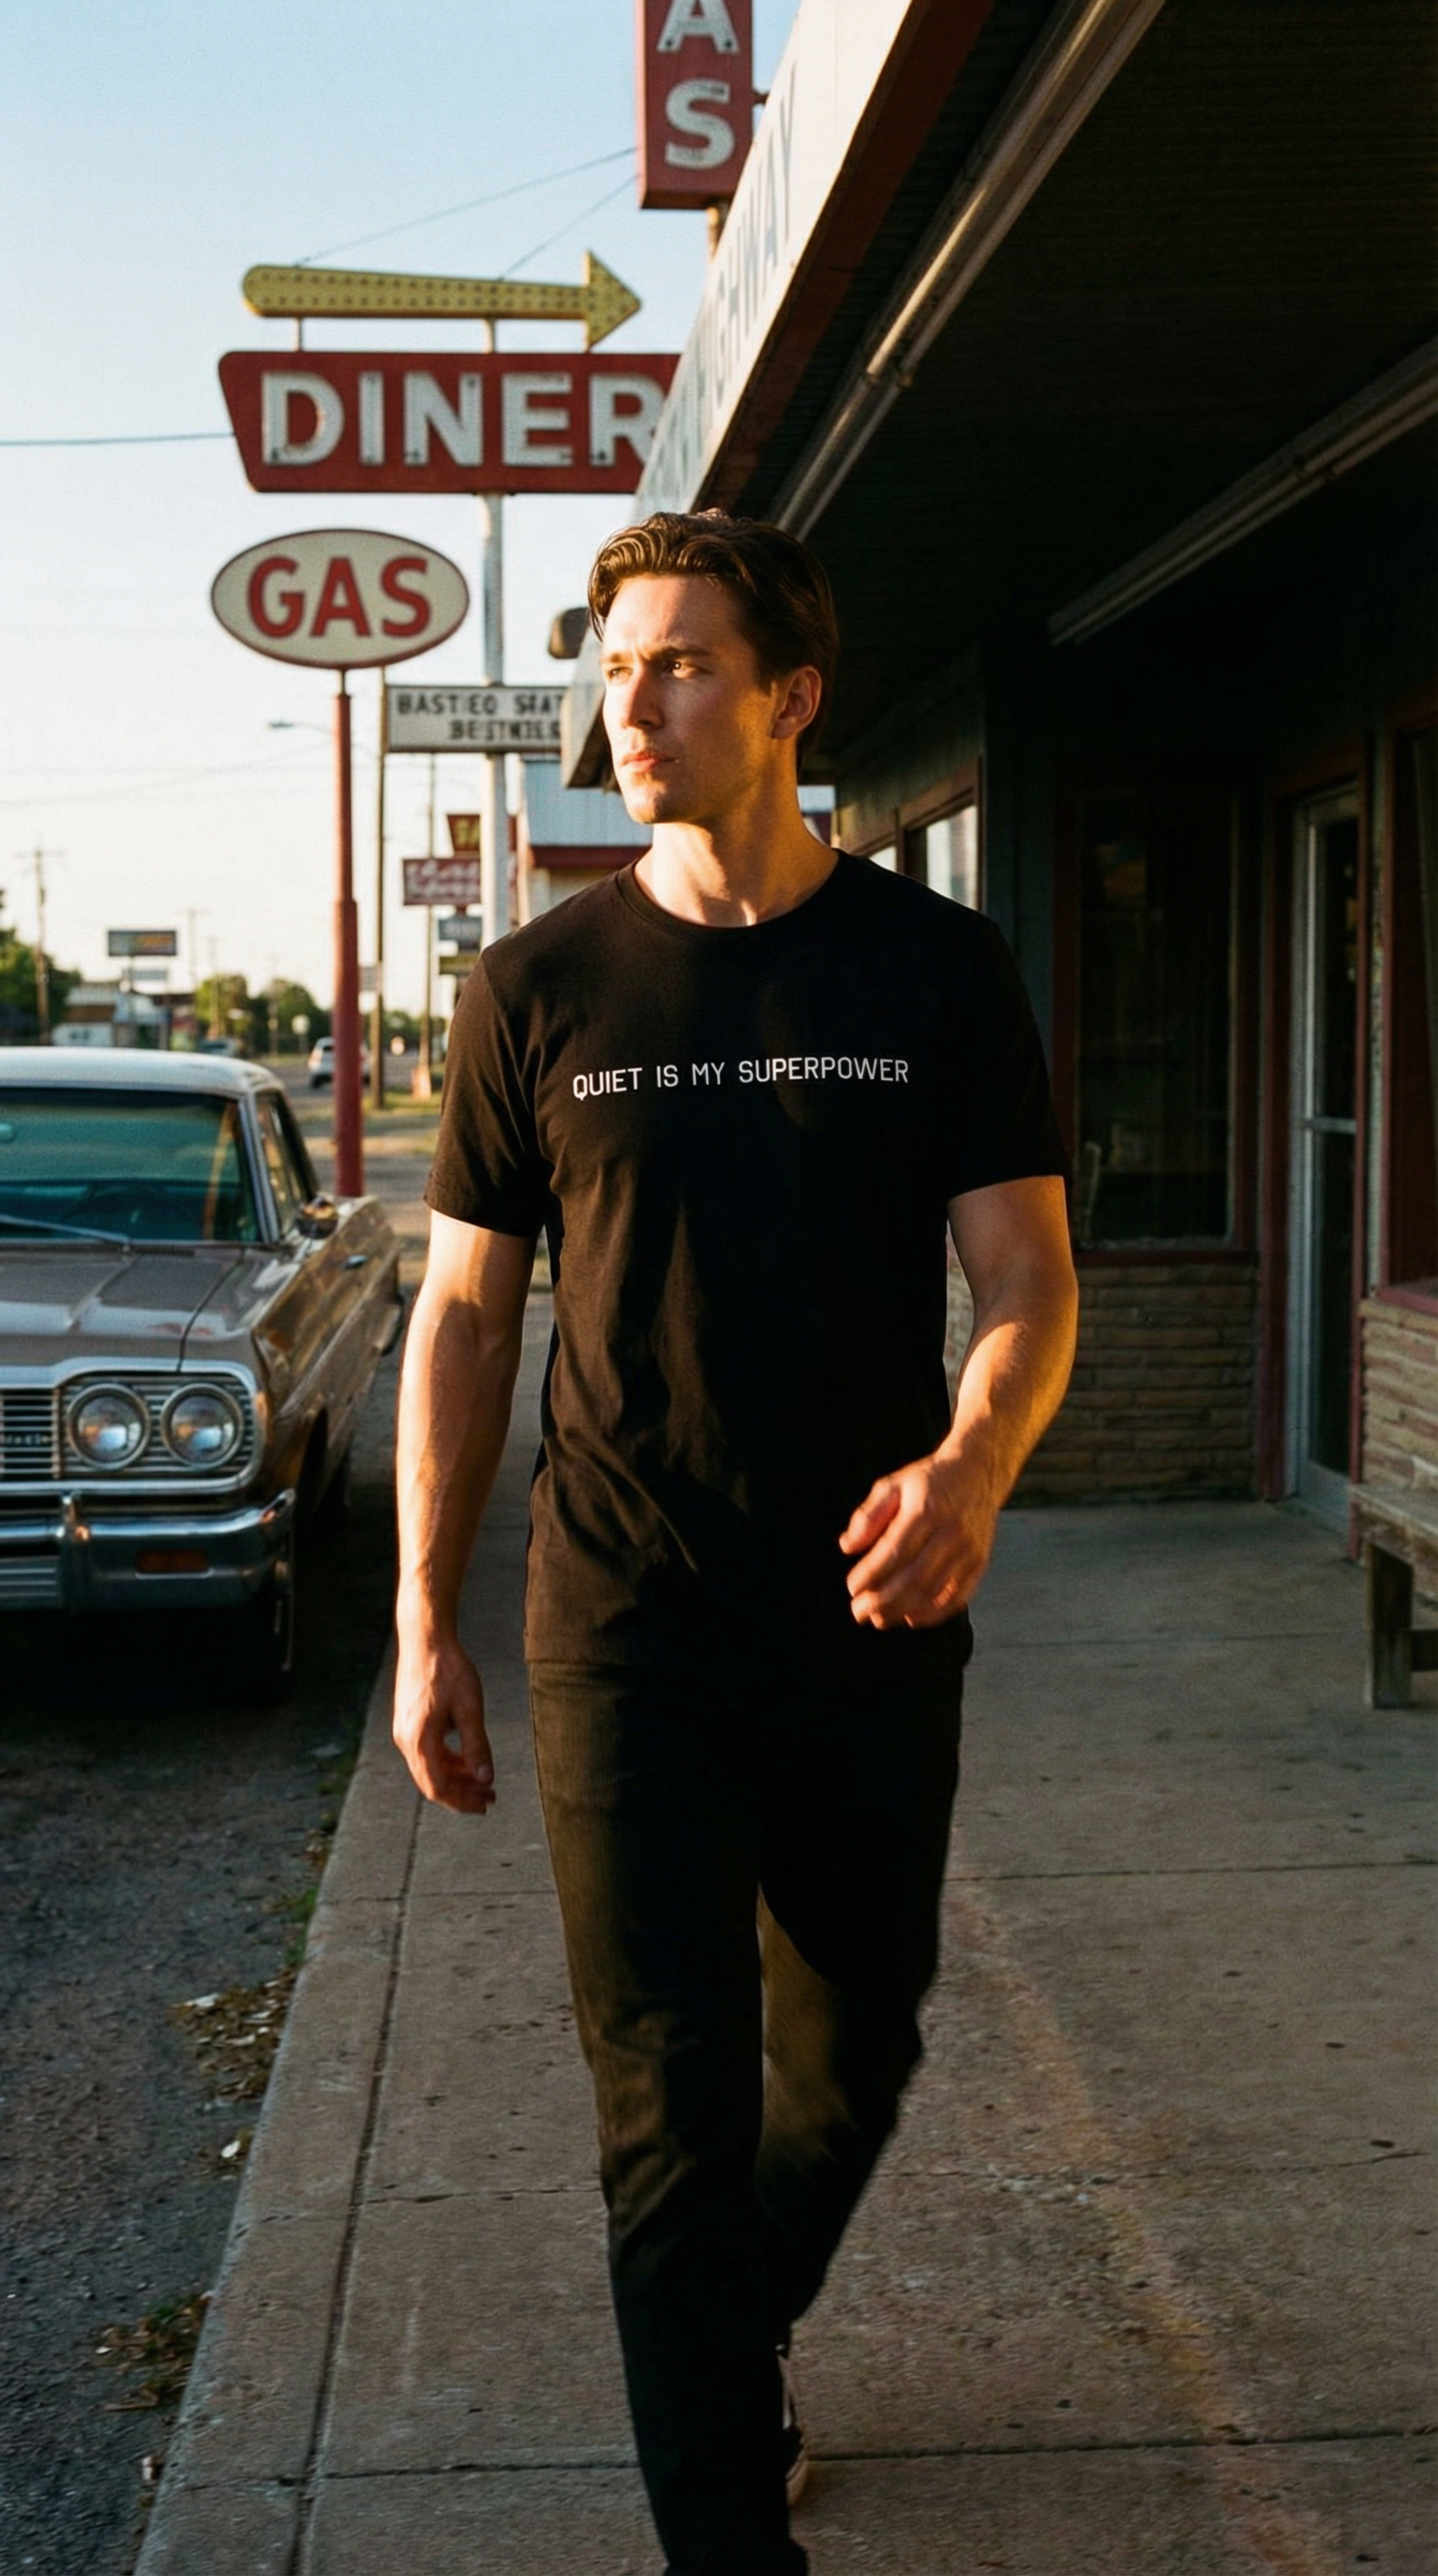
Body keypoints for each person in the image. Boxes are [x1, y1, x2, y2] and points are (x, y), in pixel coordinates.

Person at [392, 510, 1078, 2575]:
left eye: (682, 662)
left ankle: (724, 2337)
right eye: (617, 664)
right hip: (623, 1620)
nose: (637, 697)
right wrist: (427, 1613)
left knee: (854, 2045)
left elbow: (1029, 1282)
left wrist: (972, 1468)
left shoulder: (932, 969)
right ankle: (723, 2522)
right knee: (664, 2107)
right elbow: (462, 1308)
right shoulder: (538, 984)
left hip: (872, 1605)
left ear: (791, 695)